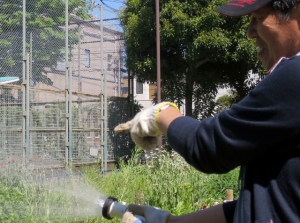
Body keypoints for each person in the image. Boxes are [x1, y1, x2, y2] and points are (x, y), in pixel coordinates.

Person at [115, 0, 300, 222]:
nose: (250, 32)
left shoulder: (294, 76)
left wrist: (160, 115)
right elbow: (268, 202)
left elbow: (209, 147)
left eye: (259, 18)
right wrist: (171, 222)